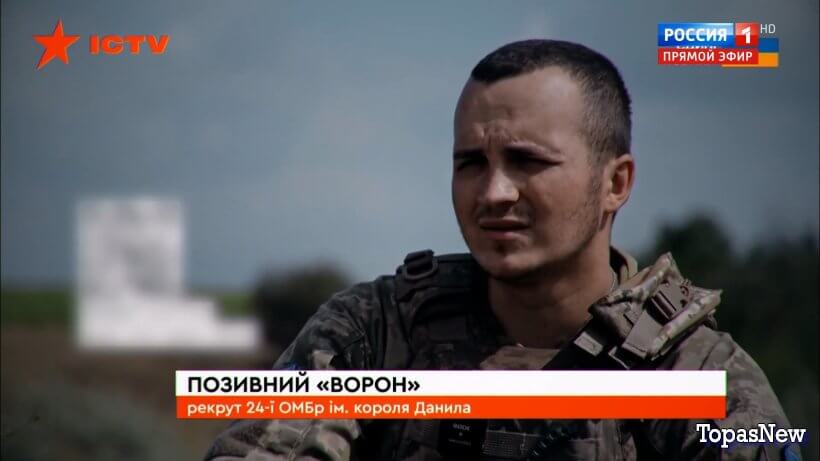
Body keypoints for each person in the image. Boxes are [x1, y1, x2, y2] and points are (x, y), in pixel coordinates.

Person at [204, 40, 799, 461]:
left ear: (615, 183)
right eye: (471, 163)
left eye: (527, 161)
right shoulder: (372, 332)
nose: (493, 193)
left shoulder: (703, 376)